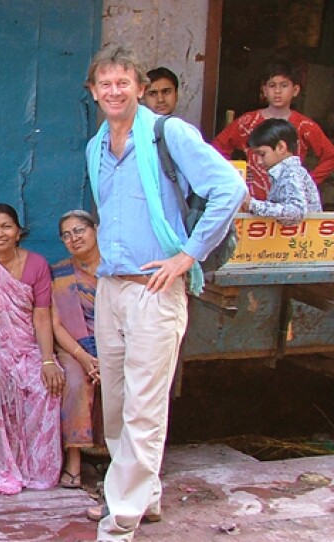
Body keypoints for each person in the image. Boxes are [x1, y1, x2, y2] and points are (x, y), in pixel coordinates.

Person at [84, 44, 245, 541]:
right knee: (115, 403)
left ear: (139, 88)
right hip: (112, 286)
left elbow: (229, 189)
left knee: (143, 407)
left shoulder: (167, 134)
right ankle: (141, 493)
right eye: (104, 84)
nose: (114, 91)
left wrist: (187, 255)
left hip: (156, 288)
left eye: (122, 82)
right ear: (93, 92)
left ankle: (122, 518)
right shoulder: (96, 147)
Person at [0, 204, 63, 495]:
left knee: (45, 386)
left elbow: (41, 316)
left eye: (6, 226)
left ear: (18, 231)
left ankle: (35, 466)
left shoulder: (37, 264)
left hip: (27, 347)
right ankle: (3, 465)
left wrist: (47, 360)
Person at [212, 57, 334, 200]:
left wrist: (309, 181)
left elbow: (330, 156)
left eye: (284, 85)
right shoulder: (247, 122)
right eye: (272, 85)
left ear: (295, 90)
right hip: (252, 202)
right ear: (264, 90)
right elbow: (216, 150)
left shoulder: (305, 126)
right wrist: (236, 172)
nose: (277, 91)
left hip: (291, 202)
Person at [50, 210, 104, 490]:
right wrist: (84, 357)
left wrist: (106, 357)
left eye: (80, 230)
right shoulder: (60, 273)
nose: (74, 238)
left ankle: (120, 459)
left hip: (114, 346)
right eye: (67, 235)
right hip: (73, 348)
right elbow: (56, 325)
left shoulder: (115, 269)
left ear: (95, 230)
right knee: (73, 381)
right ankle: (73, 461)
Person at [242, 118, 322, 224]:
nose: (259, 162)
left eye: (262, 154)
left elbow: (295, 212)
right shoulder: (285, 173)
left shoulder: (291, 173)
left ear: (281, 147)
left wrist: (253, 205)